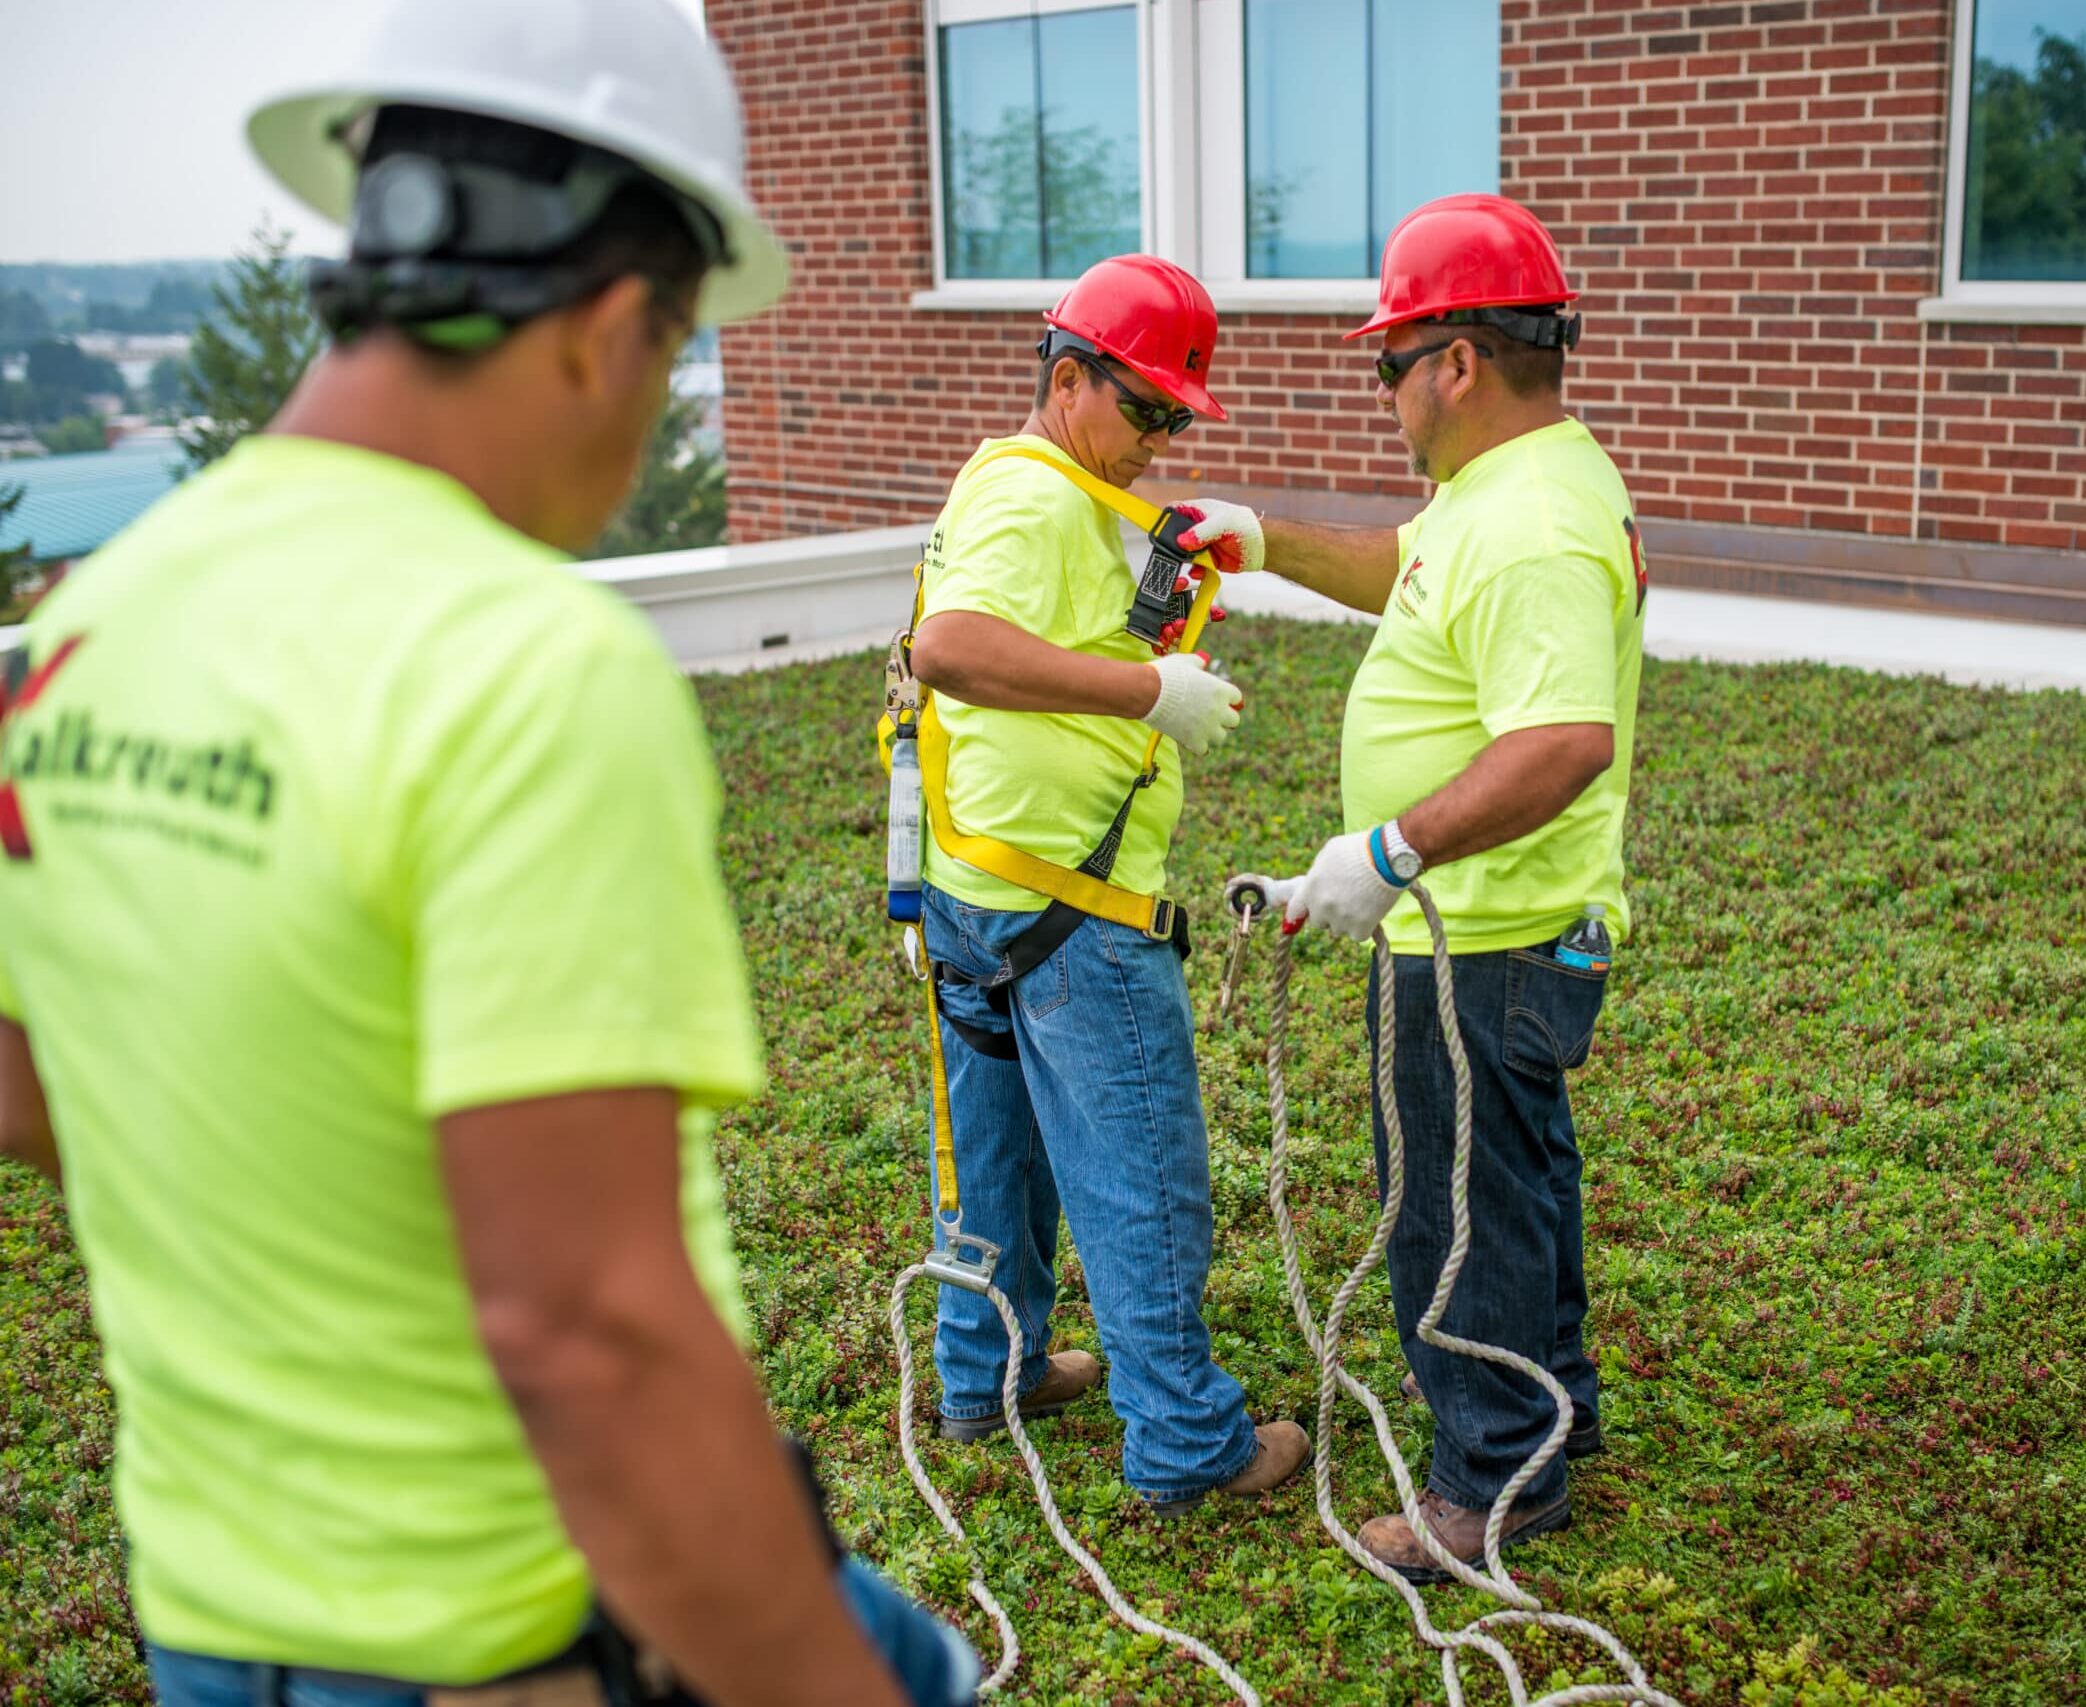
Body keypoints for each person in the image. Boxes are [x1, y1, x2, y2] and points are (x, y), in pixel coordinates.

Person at [0, 1, 975, 1702]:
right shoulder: (520, 661)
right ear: (608, 329)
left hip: (215, 1615)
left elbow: (34, 1081)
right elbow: (586, 1338)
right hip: (506, 1631)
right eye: (675, 359)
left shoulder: (93, 621)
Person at [1175, 194, 1643, 1577]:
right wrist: (1261, 541)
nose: (1382, 389)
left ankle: (1491, 1483)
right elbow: (1410, 571)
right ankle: (1553, 1413)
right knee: (1518, 1177)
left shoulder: (1534, 522)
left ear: (1456, 360)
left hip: (1483, 936)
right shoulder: (1503, 487)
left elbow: (1562, 738)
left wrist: (1387, 853)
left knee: (1454, 1209)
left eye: (1389, 361)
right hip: (1501, 931)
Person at [906, 255, 1309, 1515]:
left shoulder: (1023, 482)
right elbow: (949, 647)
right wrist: (1147, 691)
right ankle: (1188, 1445)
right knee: (1141, 1175)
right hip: (1068, 911)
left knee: (995, 1155)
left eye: (1176, 418)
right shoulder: (1035, 500)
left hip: (981, 889)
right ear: (1068, 378)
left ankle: (988, 1375)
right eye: (1142, 409)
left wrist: (1157, 628)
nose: (1157, 440)